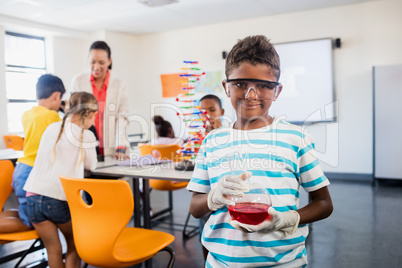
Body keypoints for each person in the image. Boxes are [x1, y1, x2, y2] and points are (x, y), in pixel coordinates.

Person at [187, 35, 333, 267]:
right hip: (222, 263)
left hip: (285, 263)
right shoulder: (212, 141)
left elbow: (324, 203)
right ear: (226, 87)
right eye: (241, 84)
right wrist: (214, 196)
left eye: (264, 86)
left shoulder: (297, 138)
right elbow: (195, 208)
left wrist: (288, 219)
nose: (251, 94)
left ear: (277, 91)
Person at [23, 92, 98, 268]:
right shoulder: (85, 135)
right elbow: (92, 165)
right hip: (58, 199)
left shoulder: (51, 128)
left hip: (32, 196)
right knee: (74, 244)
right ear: (92, 115)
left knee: (53, 249)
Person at [4, 74, 65, 233]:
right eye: (60, 100)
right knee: (31, 222)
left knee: (29, 215)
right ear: (57, 95)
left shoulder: (27, 115)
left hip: (20, 169)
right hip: (33, 173)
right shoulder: (53, 117)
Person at [71, 40, 129, 161]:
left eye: (101, 62)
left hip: (111, 150)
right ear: (88, 59)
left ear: (109, 61)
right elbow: (74, 115)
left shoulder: (119, 85)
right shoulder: (78, 81)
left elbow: (122, 117)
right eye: (93, 62)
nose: (96, 67)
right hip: (84, 148)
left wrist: (121, 146)